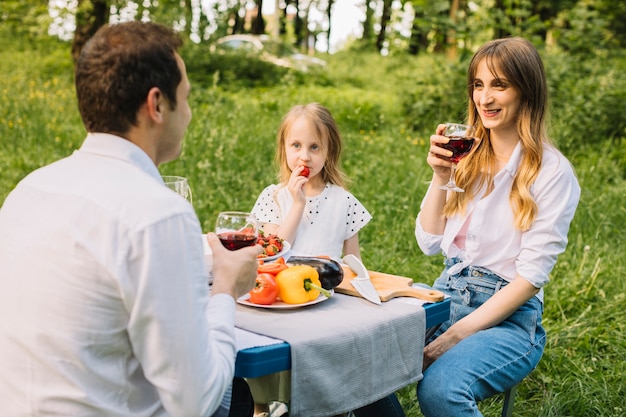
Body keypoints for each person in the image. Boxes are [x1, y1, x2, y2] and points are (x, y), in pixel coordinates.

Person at [0, 21, 262, 417]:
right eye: (186, 99)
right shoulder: (157, 216)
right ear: (156, 104)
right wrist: (226, 285)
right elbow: (197, 401)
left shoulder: (27, 191)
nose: (189, 115)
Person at [414, 37, 580, 416]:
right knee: (361, 351)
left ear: (526, 91)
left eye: (499, 85)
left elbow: (530, 278)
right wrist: (441, 176)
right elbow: (428, 242)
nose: (485, 98)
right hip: (447, 294)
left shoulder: (552, 172)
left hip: (509, 318)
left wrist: (451, 338)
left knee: (441, 391)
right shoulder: (466, 154)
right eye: (478, 85)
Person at [248, 103, 375, 417]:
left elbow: (353, 262)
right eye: (296, 146)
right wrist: (296, 204)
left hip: (324, 302)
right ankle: (267, 405)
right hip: (279, 302)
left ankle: (331, 404)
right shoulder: (273, 196)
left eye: (314, 147)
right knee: (274, 370)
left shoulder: (343, 201)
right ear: (284, 149)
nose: (304, 156)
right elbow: (273, 249)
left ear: (329, 151)